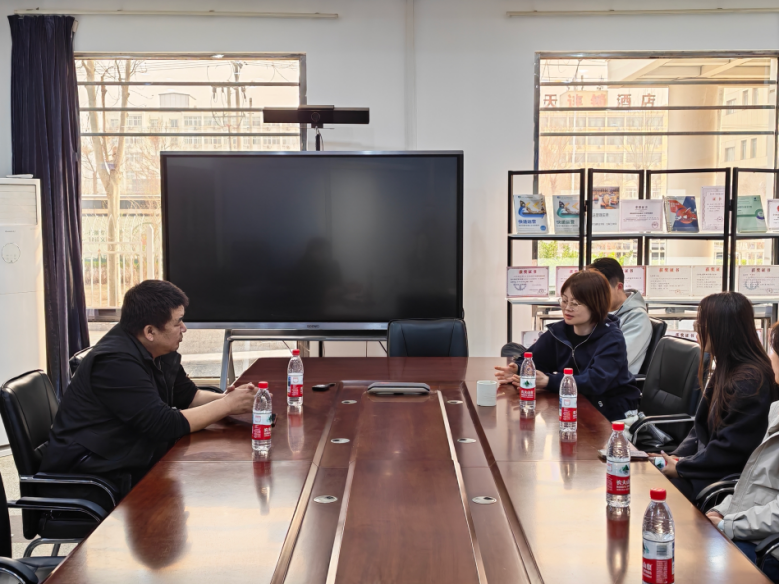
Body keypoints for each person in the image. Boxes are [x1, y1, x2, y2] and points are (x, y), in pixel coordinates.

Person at [40, 280, 257, 493]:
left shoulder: (155, 349)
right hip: (93, 475)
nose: (184, 328)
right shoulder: (114, 363)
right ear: (150, 331)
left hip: (129, 459)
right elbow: (163, 424)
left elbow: (189, 396)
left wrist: (239, 400)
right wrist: (227, 405)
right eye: (178, 322)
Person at [654, 291, 777, 503]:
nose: (696, 329)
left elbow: (730, 450)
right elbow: (699, 430)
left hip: (720, 481)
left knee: (651, 492)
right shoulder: (728, 366)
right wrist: (675, 457)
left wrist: (682, 467)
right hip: (705, 468)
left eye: (701, 324)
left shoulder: (750, 381)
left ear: (723, 329)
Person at [495, 270, 640, 421]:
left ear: (596, 305)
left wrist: (549, 381)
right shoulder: (559, 331)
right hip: (574, 404)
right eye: (564, 300)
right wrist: (518, 369)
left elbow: (595, 381)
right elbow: (535, 359)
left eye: (575, 303)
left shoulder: (612, 339)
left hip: (612, 412)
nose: (567, 308)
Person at [702, 322, 779, 583]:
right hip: (750, 527)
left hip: (768, 547)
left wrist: (728, 524)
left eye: (774, 351)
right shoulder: (777, 411)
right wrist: (722, 511)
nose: (770, 357)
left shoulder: (749, 380)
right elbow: (754, 482)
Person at [587, 257, 652, 375]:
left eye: (601, 290)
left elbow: (614, 362)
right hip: (592, 376)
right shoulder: (598, 312)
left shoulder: (637, 318)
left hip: (611, 381)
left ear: (619, 287)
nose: (595, 295)